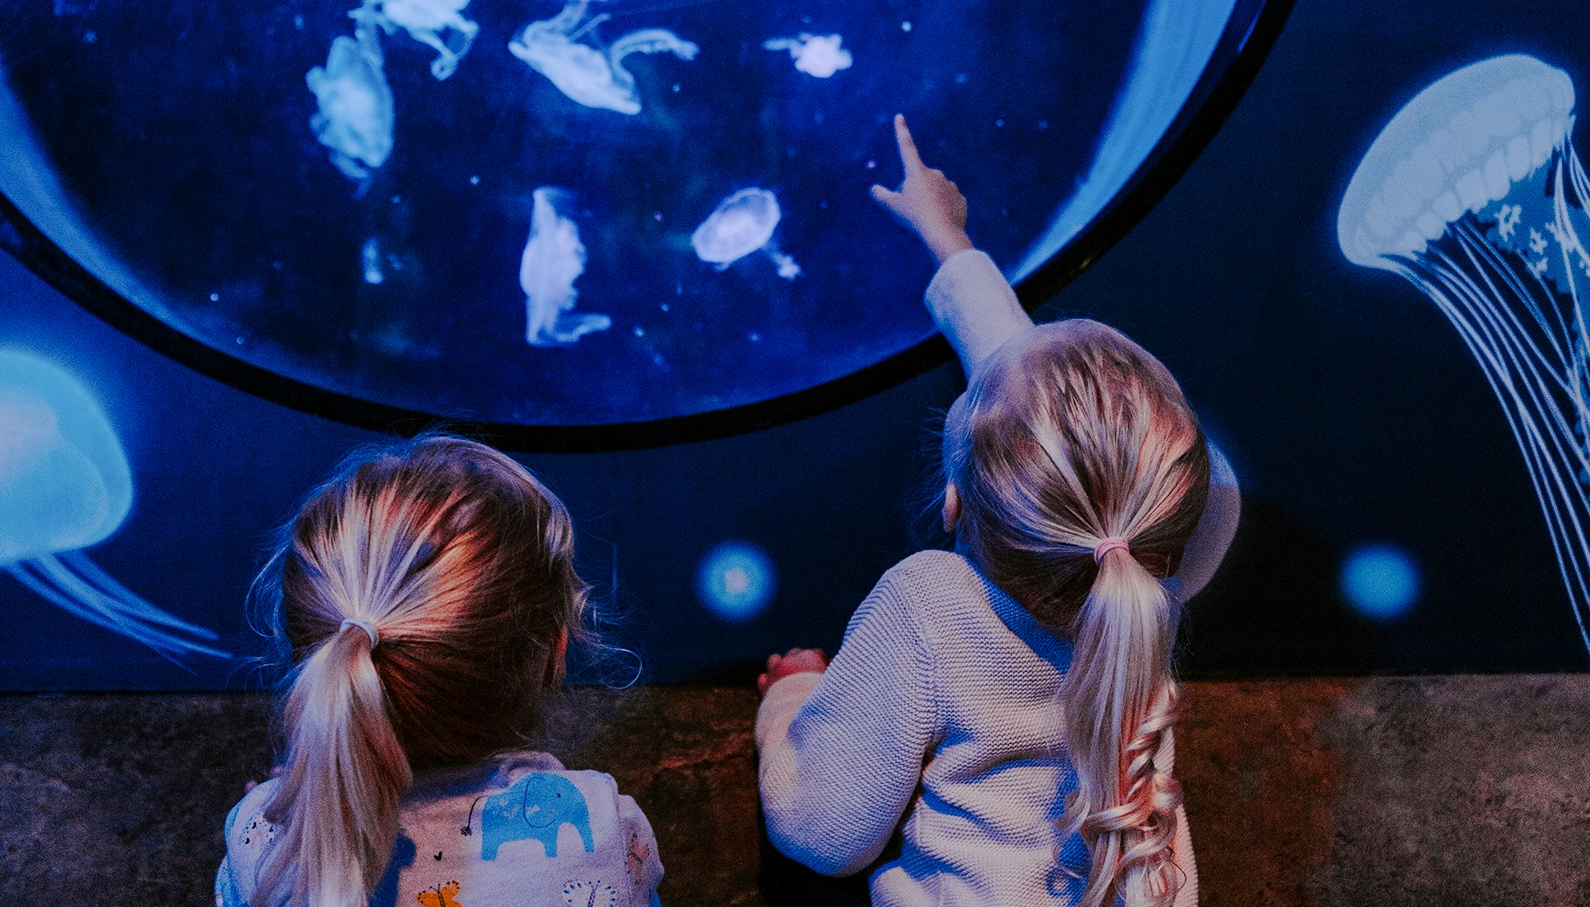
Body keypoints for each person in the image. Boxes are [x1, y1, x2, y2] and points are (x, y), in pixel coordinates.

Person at [754, 116, 1239, 907]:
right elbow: (1047, 413)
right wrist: (952, 245)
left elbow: (824, 832)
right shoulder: (1150, 582)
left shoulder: (931, 606)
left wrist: (794, 700)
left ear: (953, 504)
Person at [215, 435, 663, 907]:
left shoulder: (260, 839)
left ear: (314, 663)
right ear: (555, 649)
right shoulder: (608, 831)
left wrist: (281, 810)